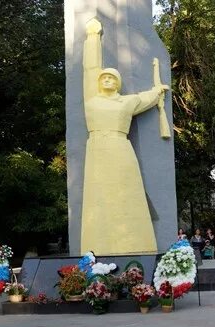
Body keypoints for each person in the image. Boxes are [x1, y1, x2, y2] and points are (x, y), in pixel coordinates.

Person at [80, 18, 169, 255]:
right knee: (98, 201)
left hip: (121, 149)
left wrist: (157, 91)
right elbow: (90, 69)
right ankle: (96, 249)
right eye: (104, 78)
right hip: (97, 149)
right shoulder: (92, 98)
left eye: (112, 78)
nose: (107, 79)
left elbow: (144, 98)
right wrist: (92, 38)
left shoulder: (125, 102)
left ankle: (136, 245)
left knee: (127, 196)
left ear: (118, 84)